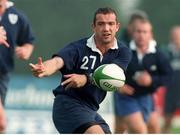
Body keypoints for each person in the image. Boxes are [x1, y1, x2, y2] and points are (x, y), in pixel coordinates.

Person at [29, 7, 132, 134]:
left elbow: (113, 74)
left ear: (117, 26)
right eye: (101, 24)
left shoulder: (122, 51)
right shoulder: (78, 48)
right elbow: (57, 62)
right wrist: (44, 68)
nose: (106, 28)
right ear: (93, 27)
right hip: (67, 105)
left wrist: (85, 79)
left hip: (90, 109)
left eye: (110, 24)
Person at [113, 19, 172, 133]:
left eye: (145, 32)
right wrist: (118, 86)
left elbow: (168, 76)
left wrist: (152, 80)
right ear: (132, 34)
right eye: (138, 31)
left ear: (151, 34)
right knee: (139, 129)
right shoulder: (123, 51)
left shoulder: (158, 54)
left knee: (154, 129)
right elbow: (110, 70)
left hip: (146, 96)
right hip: (126, 96)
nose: (141, 35)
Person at [0, 0, 35, 132]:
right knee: (1, 122)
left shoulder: (17, 16)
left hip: (3, 75)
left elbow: (29, 41)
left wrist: (26, 50)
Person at [162, 26, 180, 133]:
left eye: (178, 35)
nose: (176, 37)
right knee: (167, 121)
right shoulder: (166, 52)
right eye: (175, 35)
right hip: (171, 92)